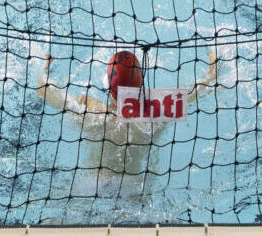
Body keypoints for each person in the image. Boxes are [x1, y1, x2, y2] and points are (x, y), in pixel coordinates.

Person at [33, 50, 218, 180]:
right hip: (135, 190)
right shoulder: (160, 112)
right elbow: (201, 89)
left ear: (108, 88)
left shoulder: (91, 112)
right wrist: (213, 68)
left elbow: (43, 89)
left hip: (95, 185)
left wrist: (45, 67)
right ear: (141, 81)